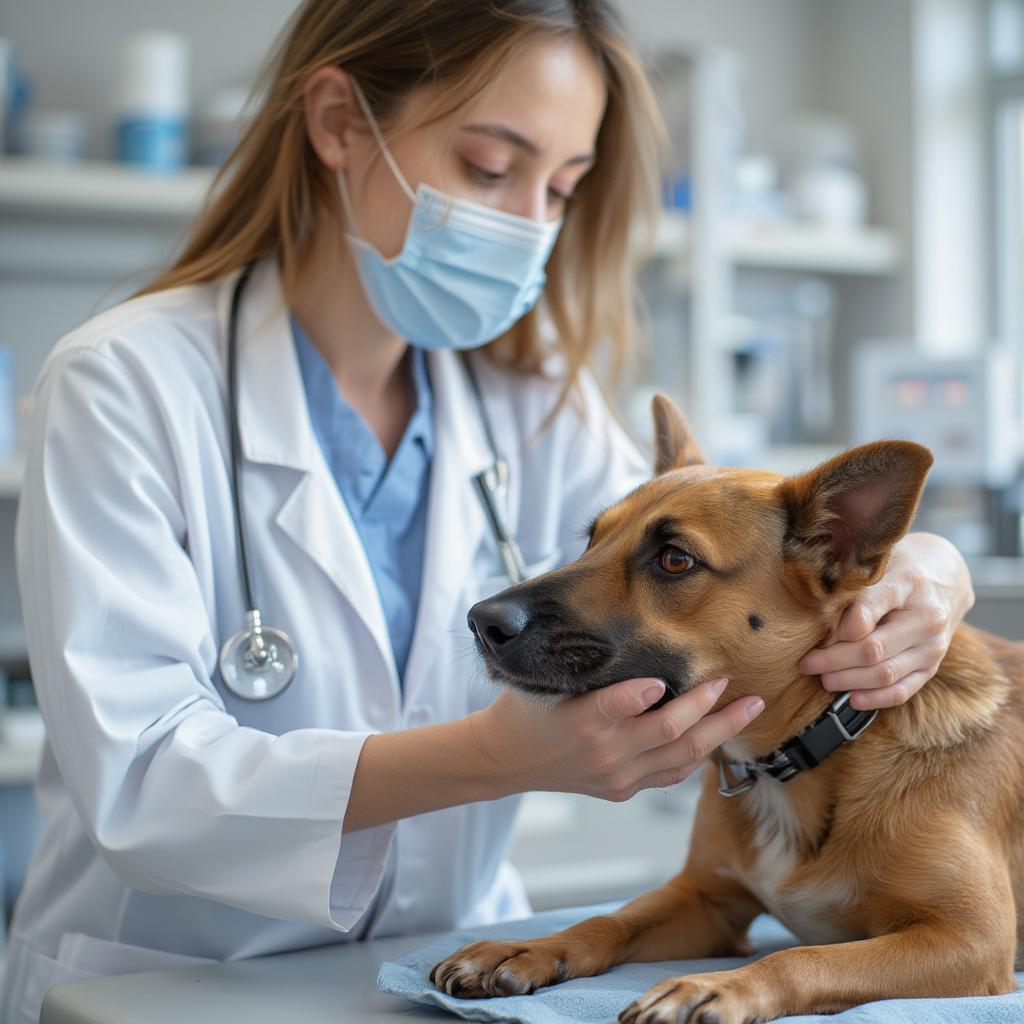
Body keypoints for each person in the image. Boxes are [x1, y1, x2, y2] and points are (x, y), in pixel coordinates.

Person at [1, 2, 975, 1021]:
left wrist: (926, 569)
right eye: (486, 167)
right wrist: (493, 757)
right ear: (337, 122)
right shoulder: (124, 383)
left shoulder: (529, 395)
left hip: (447, 968)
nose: (527, 226)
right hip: (169, 984)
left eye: (560, 187)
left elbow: (721, 538)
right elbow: (142, 785)